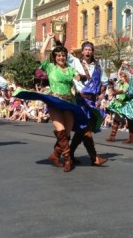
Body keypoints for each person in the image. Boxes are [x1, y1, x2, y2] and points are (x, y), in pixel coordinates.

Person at [13, 36, 88, 172]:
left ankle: (55, 155)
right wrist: (47, 39)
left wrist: (79, 77)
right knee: (60, 131)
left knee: (66, 135)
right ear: (54, 57)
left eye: (63, 55)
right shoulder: (50, 67)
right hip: (55, 101)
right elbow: (42, 53)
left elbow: (85, 76)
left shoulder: (71, 69)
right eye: (58, 55)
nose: (61, 57)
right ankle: (67, 160)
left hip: (69, 102)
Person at [63, 38, 108, 166]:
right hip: (81, 100)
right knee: (85, 129)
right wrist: (57, 40)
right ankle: (94, 158)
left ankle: (69, 153)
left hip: (92, 102)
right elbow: (65, 54)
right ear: (82, 52)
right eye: (86, 49)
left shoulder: (98, 66)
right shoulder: (76, 62)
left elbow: (104, 82)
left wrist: (101, 95)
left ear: (92, 52)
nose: (88, 51)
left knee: (82, 130)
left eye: (90, 49)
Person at [106, 66, 130, 142]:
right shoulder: (120, 83)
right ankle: (112, 136)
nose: (121, 78)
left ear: (126, 78)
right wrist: (122, 66)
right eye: (121, 77)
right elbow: (119, 73)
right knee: (116, 119)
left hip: (126, 104)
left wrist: (115, 93)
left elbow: (123, 91)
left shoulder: (128, 85)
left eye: (123, 77)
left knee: (131, 120)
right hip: (119, 103)